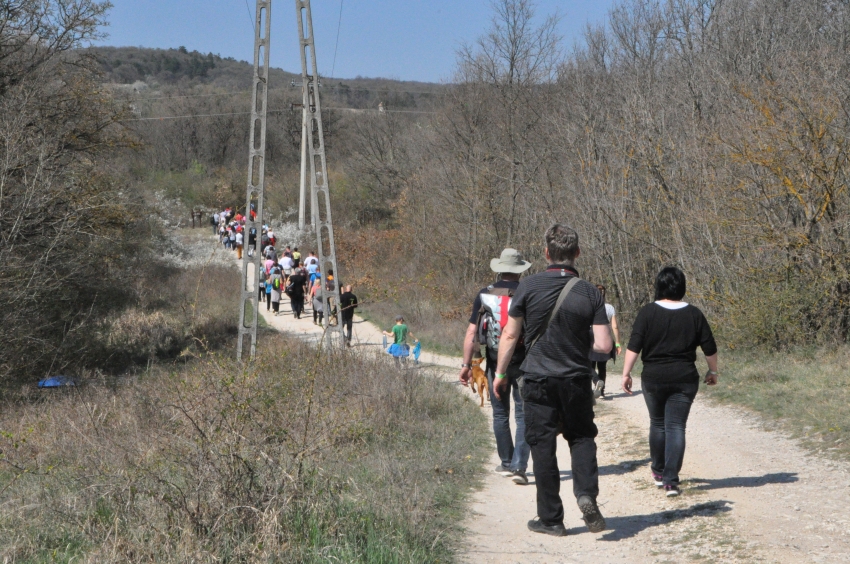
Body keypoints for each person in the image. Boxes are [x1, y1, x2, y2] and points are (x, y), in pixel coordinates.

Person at [493, 224, 611, 537]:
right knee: (582, 437)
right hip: (575, 379)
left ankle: (551, 519)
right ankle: (586, 494)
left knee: (542, 445)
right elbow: (603, 346)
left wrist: (501, 373)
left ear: (546, 254)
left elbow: (510, 333)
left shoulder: (528, 286)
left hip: (536, 379)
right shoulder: (589, 292)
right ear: (577, 253)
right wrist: (577, 344)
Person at [620, 266, 718, 497]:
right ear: (682, 286)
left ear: (659, 286)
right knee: (676, 426)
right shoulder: (694, 314)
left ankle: (658, 471)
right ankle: (671, 481)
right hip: (684, 378)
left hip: (653, 378)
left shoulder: (647, 312)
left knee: (658, 423)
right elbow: (709, 347)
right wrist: (713, 371)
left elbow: (634, 345)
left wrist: (626, 373)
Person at [459, 248, 532, 486]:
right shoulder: (529, 292)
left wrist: (466, 364)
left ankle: (507, 462)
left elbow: (472, 331)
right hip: (524, 361)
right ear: (520, 270)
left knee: (500, 412)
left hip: (492, 361)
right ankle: (520, 467)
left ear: (500, 268)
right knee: (523, 414)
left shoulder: (485, 294)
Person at [589, 284, 621, 399]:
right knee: (602, 366)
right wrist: (617, 343)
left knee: (589, 364)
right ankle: (601, 392)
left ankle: (596, 381)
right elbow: (615, 326)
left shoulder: (590, 306)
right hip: (605, 337)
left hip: (592, 337)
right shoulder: (609, 307)